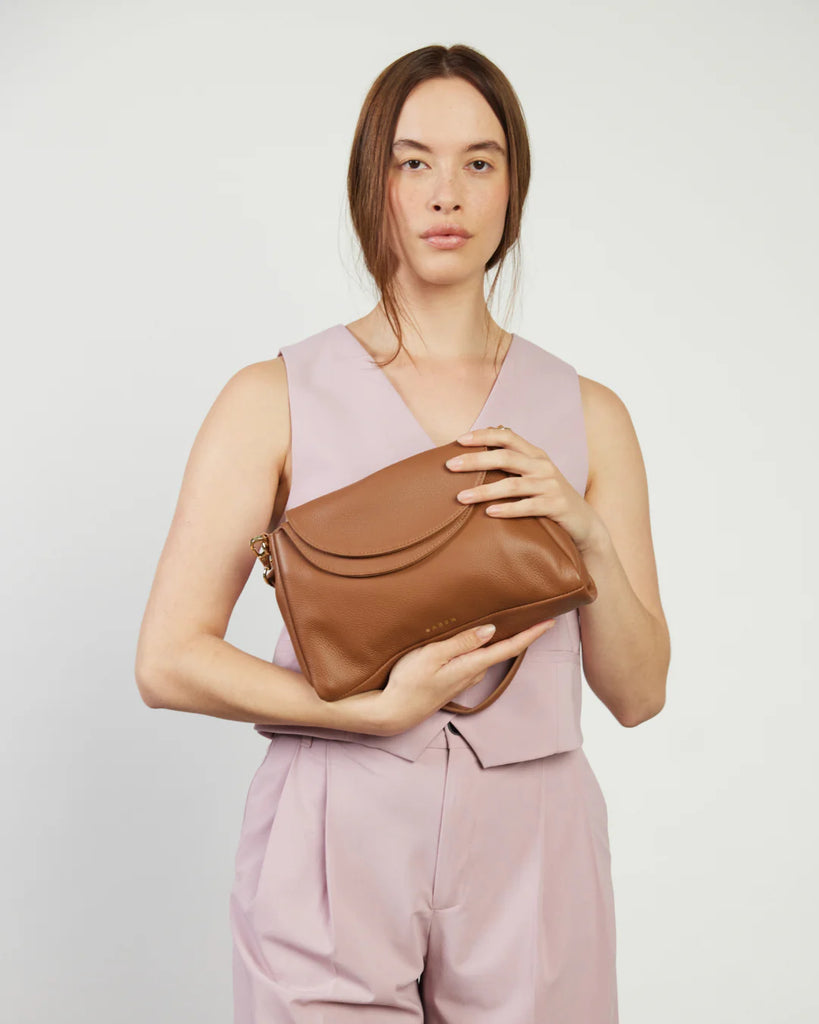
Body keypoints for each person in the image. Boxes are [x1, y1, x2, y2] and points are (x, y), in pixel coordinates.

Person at [135, 43, 670, 1024]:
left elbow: (639, 694)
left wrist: (587, 535)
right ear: (370, 182)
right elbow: (167, 660)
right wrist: (370, 713)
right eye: (412, 161)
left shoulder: (590, 414)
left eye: (479, 161)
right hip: (332, 827)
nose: (444, 194)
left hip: (534, 841)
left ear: (512, 189)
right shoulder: (269, 397)